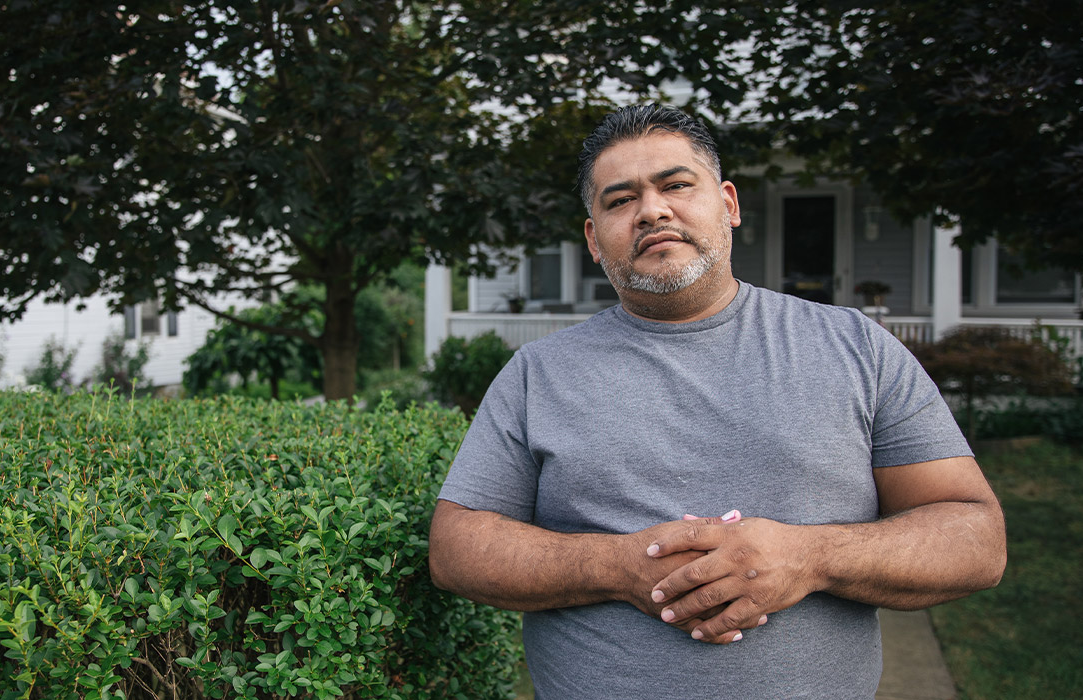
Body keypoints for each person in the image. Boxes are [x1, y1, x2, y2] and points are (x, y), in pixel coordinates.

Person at [427, 104, 1006, 699]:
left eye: (676, 185)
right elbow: (456, 547)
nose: (651, 210)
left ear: (728, 205)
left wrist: (808, 557)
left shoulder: (855, 348)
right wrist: (617, 568)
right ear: (594, 239)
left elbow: (974, 539)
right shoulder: (538, 374)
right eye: (619, 200)